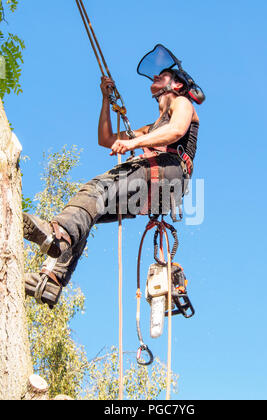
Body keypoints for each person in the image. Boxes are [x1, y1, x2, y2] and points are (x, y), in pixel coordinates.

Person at [23, 45, 205, 308]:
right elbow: (106, 139)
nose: (155, 78)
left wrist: (133, 145)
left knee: (96, 189)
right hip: (159, 189)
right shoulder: (151, 128)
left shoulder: (182, 103)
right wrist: (105, 101)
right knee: (90, 211)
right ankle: (53, 279)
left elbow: (176, 131)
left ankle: (59, 233)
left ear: (176, 84)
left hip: (169, 171)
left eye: (162, 75)